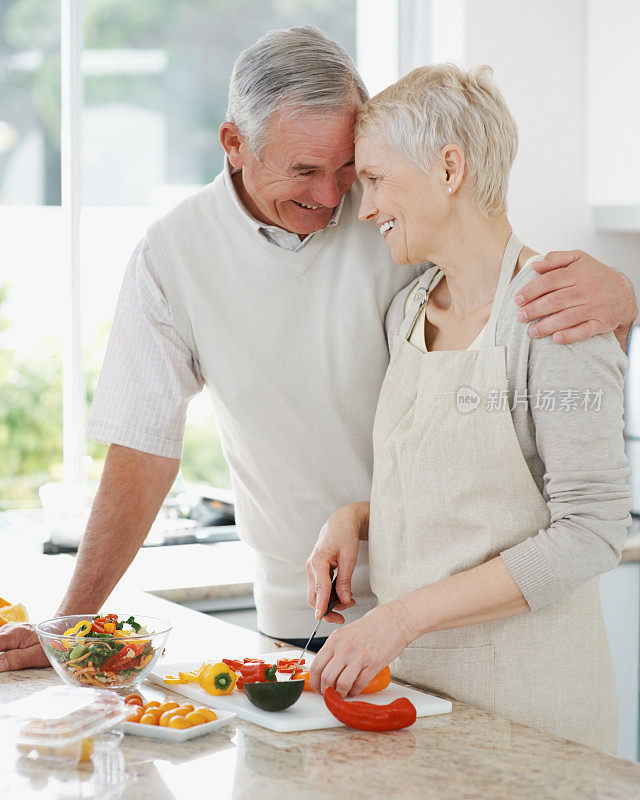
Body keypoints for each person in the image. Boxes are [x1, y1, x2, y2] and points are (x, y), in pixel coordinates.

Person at [0, 29, 636, 672]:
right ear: (234, 145)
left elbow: (507, 310)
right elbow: (141, 448)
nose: (335, 199)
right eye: (304, 170)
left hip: (453, 615)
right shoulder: (174, 256)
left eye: (349, 171)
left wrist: (621, 302)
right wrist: (72, 623)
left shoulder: (397, 214)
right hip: (301, 612)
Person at [306, 63, 632, 753]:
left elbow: (592, 530)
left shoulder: (556, 314)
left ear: (449, 169)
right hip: (420, 705)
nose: (362, 208)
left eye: (375, 178)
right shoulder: (407, 312)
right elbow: (461, 500)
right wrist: (357, 518)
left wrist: (398, 619)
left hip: (535, 721)